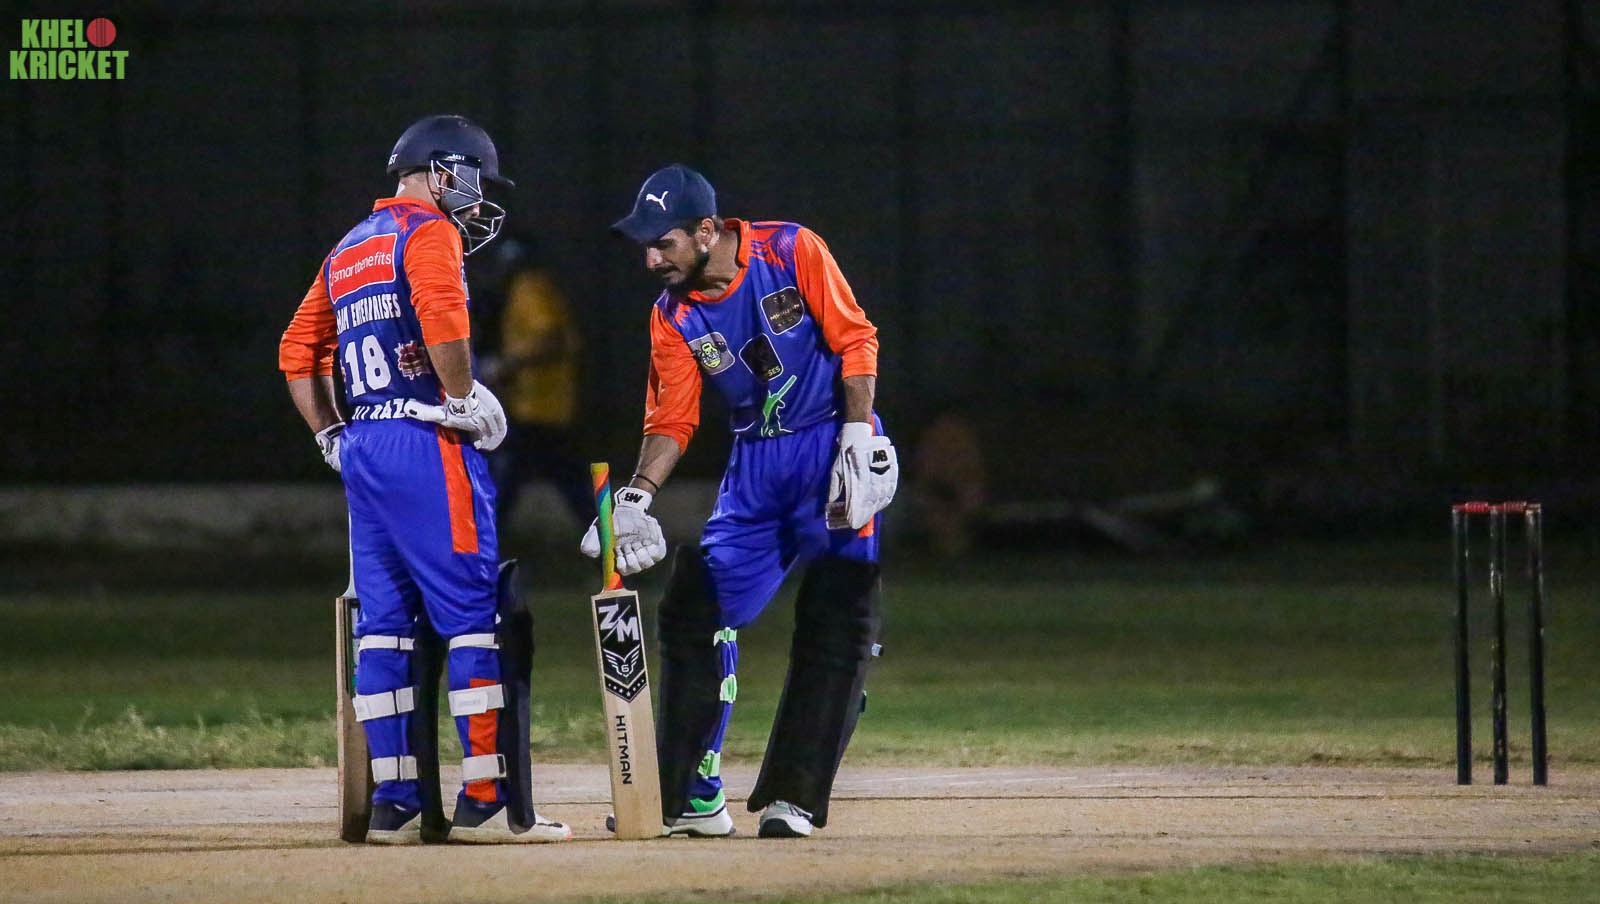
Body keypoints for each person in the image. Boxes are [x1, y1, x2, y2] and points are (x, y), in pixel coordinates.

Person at [278, 114, 571, 845]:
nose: (480, 202)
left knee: (383, 632)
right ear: (444, 171)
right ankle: (485, 804)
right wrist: (465, 397)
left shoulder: (350, 244)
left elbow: (296, 350)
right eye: (476, 182)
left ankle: (397, 806)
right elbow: (443, 318)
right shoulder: (428, 231)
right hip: (426, 437)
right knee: (473, 615)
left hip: (365, 444)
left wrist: (328, 435)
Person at [583, 164, 899, 839]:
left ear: (706, 230)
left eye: (663, 243)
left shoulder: (790, 248)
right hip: (755, 465)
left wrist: (857, 435)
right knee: (695, 608)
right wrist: (635, 499)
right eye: (645, 246)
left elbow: (855, 338)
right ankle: (689, 795)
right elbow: (672, 419)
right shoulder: (672, 314)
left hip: (831, 448)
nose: (651, 260)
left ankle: (794, 797)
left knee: (837, 614)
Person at [472, 237, 592, 534]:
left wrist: (505, 365)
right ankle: (610, 545)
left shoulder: (528, 289)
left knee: (507, 480)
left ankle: (480, 545)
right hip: (540, 406)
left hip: (539, 405)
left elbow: (550, 340)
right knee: (563, 481)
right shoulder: (536, 288)